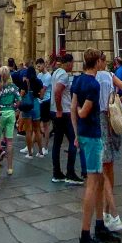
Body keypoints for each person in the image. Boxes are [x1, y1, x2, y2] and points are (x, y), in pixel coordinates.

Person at [71, 48, 119, 243]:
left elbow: (73, 108)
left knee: (99, 181)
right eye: (102, 61)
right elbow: (82, 111)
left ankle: (100, 226)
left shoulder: (78, 80)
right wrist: (82, 118)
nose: (103, 63)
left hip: (85, 136)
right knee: (92, 184)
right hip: (92, 137)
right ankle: (84, 236)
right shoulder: (93, 83)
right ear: (97, 63)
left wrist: (75, 134)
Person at [96, 51, 122, 233]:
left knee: (102, 171)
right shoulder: (110, 76)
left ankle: (114, 215)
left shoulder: (95, 77)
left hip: (100, 123)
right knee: (109, 169)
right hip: (111, 123)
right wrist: (116, 102)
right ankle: (106, 212)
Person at [51, 52, 85, 184]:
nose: (73, 66)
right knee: (73, 140)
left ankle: (57, 173)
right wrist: (59, 109)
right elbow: (57, 91)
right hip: (63, 112)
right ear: (69, 63)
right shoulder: (64, 75)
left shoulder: (56, 72)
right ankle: (70, 173)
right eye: (72, 63)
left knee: (57, 143)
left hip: (55, 111)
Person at [0, 66, 20, 176]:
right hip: (10, 112)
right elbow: (19, 100)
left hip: (0, 113)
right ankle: (10, 168)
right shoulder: (13, 87)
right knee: (10, 142)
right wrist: (14, 108)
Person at [35, 57, 52, 154]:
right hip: (39, 100)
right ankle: (37, 146)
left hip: (45, 101)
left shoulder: (48, 76)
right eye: (37, 66)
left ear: (43, 65)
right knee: (37, 124)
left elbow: (43, 89)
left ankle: (45, 147)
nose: (38, 68)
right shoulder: (39, 75)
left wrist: (39, 97)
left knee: (45, 125)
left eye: (39, 66)